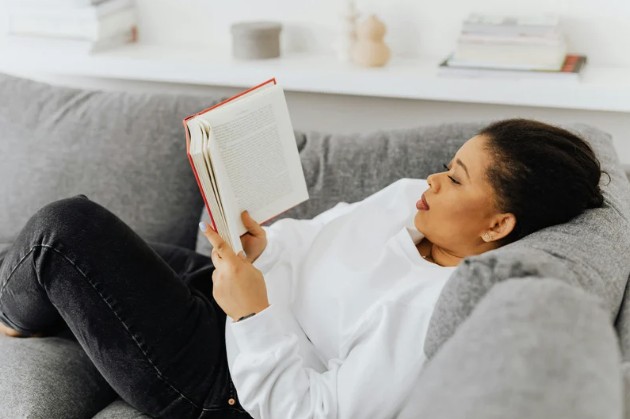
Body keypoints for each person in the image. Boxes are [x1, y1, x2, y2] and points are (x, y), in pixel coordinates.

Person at [0, 118, 605, 418]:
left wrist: (252, 313)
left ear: (497, 226)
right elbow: (311, 239)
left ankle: (12, 315)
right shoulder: (408, 202)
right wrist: (263, 249)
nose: (433, 180)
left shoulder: (430, 313)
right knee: (94, 246)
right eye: (448, 165)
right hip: (224, 299)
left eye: (456, 179)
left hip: (225, 381)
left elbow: (313, 412)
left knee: (65, 231)